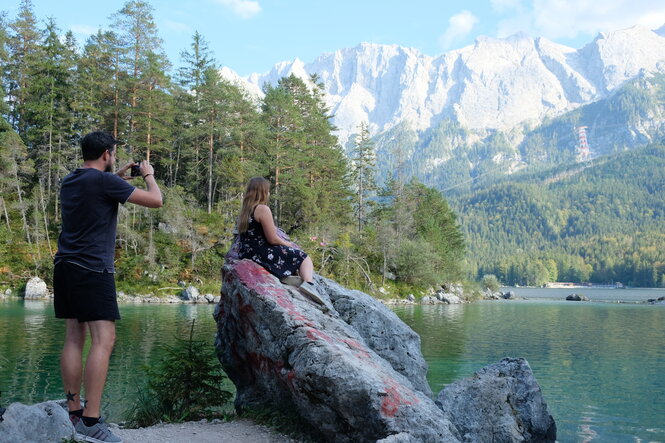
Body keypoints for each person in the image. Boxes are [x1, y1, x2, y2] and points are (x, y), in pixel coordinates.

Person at [53, 131, 162, 443]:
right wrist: (148, 176)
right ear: (105, 153)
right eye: (112, 153)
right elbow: (156, 200)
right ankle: (91, 420)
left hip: (65, 266)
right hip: (93, 268)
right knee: (105, 339)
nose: (114, 157)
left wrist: (116, 176)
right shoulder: (105, 182)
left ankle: (74, 413)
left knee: (74, 337)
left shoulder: (71, 180)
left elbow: (96, 188)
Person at [237, 176, 325, 305]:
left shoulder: (244, 211)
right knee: (303, 257)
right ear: (263, 192)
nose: (269, 193)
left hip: (246, 253)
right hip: (262, 253)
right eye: (268, 190)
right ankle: (308, 286)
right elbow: (272, 239)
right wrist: (287, 244)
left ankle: (288, 277)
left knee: (288, 255)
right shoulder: (262, 209)